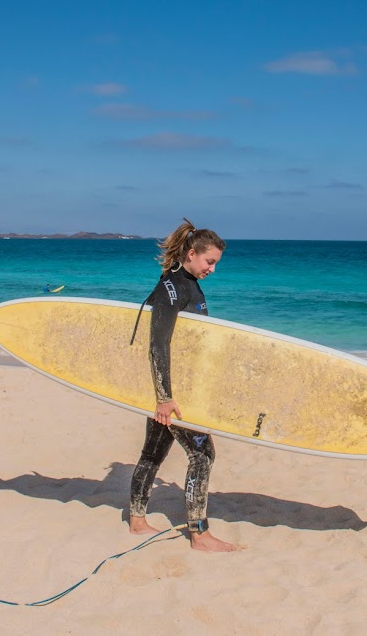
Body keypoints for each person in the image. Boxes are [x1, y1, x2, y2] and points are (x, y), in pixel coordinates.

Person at [128, 218, 241, 553]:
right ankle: (200, 535)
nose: (213, 269)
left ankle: (136, 520)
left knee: (153, 452)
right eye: (210, 262)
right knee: (203, 454)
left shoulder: (188, 283)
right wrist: (165, 398)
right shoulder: (171, 289)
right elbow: (157, 344)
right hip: (171, 392)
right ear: (192, 253)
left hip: (178, 388)